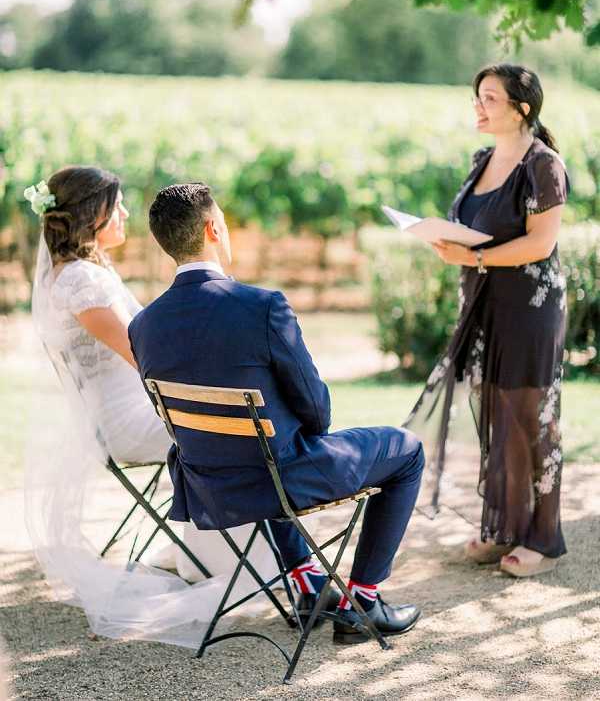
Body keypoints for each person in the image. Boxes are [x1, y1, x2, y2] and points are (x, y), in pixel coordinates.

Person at [128, 181, 425, 645]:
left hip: (212, 486)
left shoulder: (143, 325)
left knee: (256, 451)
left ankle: (308, 585)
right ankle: (363, 602)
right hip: (280, 479)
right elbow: (316, 409)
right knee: (407, 450)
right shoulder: (262, 306)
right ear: (213, 229)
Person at [25, 165, 275, 647]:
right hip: (126, 420)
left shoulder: (85, 271)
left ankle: (222, 551)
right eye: (115, 206)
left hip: (137, 407)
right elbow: (142, 357)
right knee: (235, 429)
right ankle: (242, 560)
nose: (123, 213)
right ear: (91, 215)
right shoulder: (80, 282)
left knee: (228, 425)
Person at [405, 64, 569, 578]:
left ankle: (542, 538)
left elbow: (541, 243)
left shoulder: (544, 164)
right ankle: (503, 527)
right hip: (483, 305)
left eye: (490, 99)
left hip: (530, 309)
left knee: (531, 417)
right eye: (477, 97)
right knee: (494, 415)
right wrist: (450, 241)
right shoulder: (482, 159)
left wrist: (471, 258)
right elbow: (480, 227)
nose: (479, 107)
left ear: (522, 108)